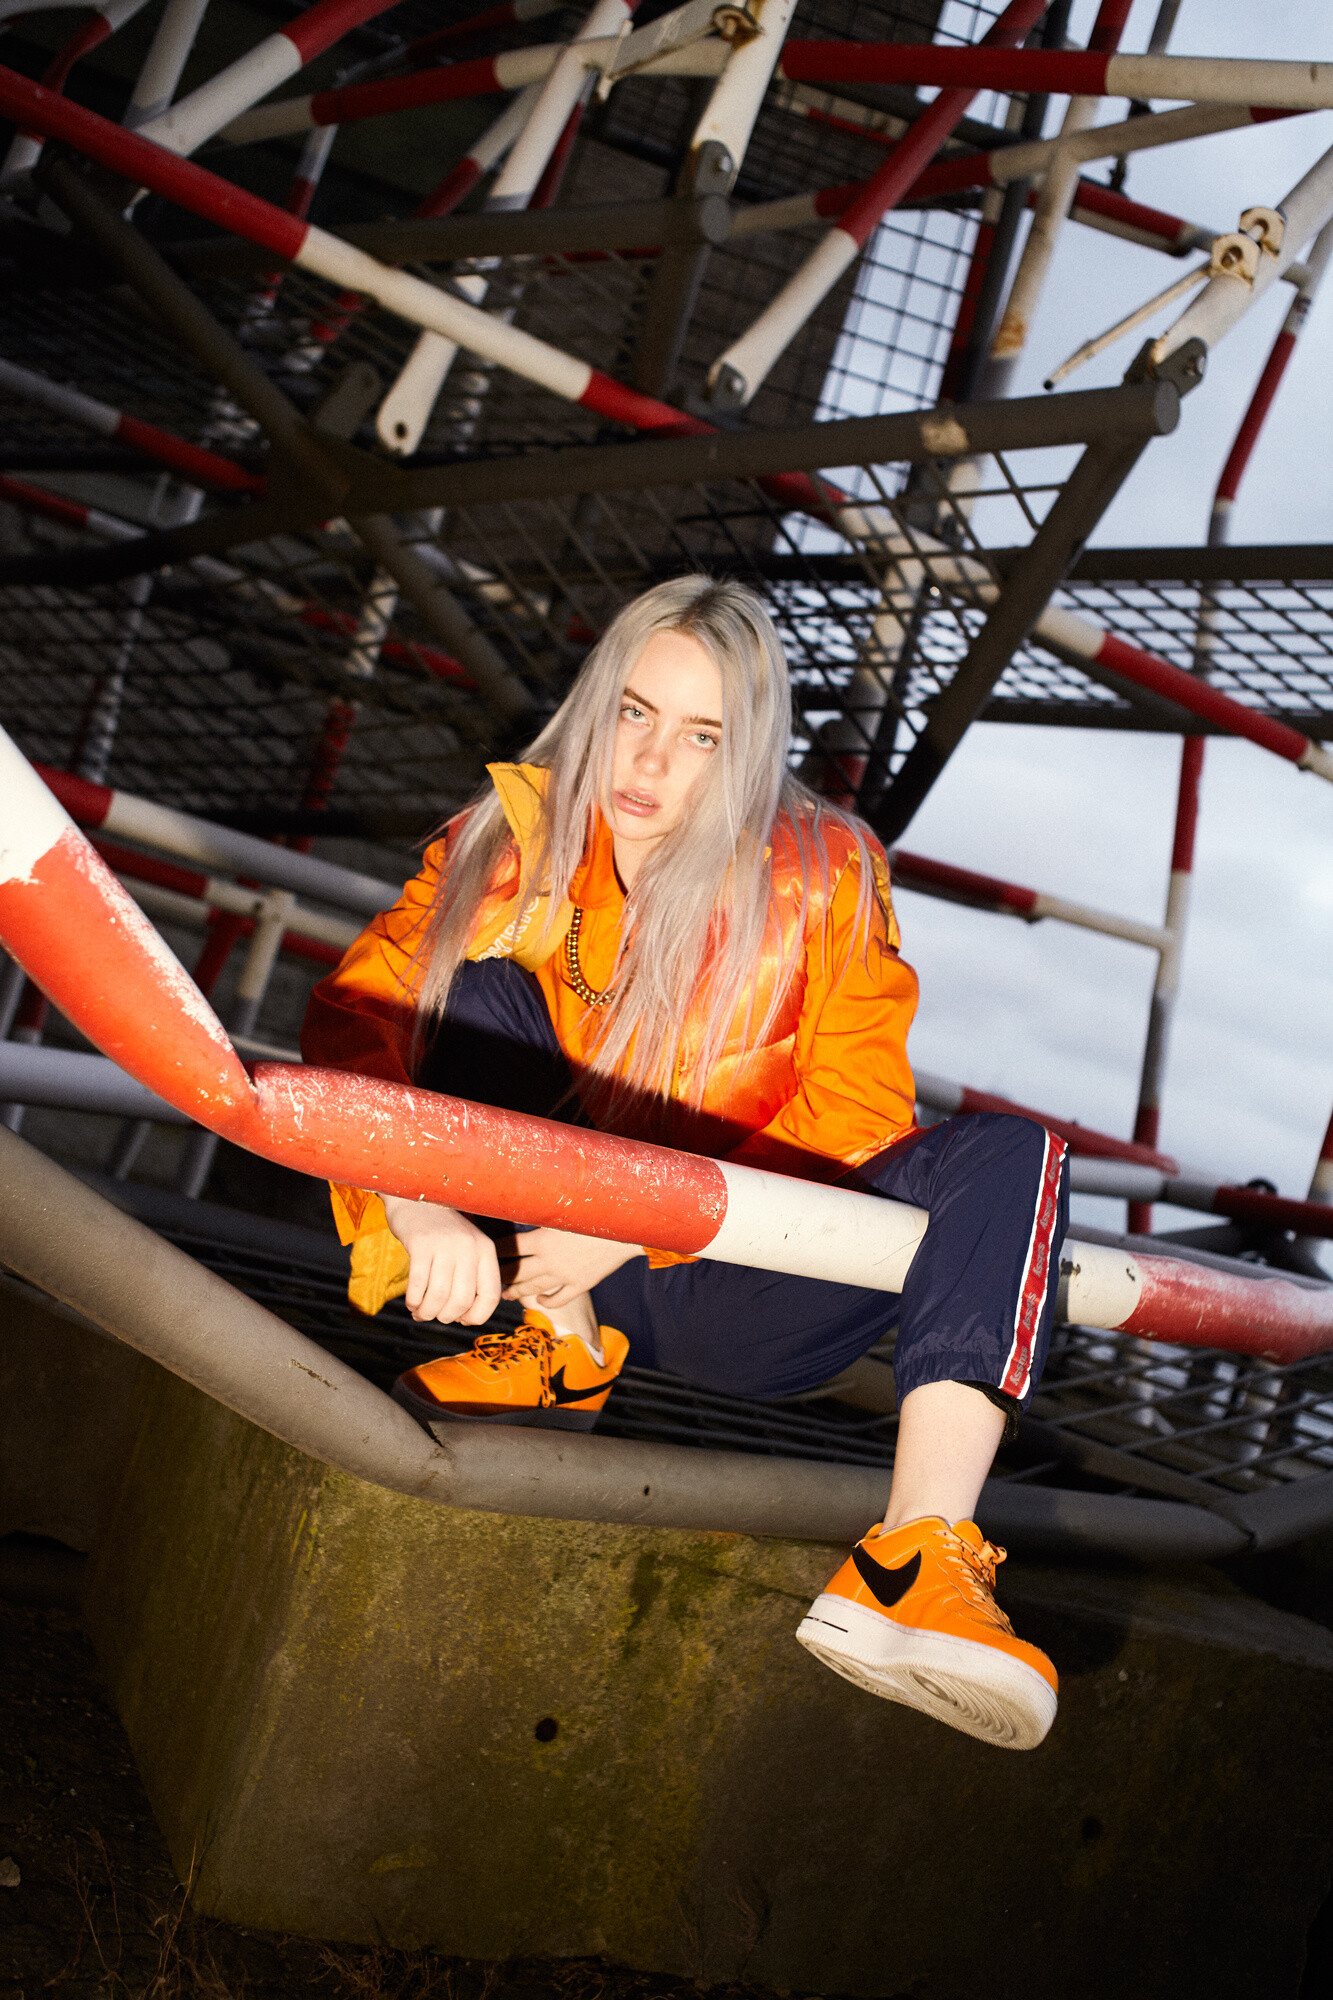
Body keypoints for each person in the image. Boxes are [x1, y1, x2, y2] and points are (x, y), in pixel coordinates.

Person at [301, 576, 1069, 1751]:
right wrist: (414, 1200)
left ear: (746, 752)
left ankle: (912, 1561)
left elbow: (857, 1115)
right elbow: (354, 1015)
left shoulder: (825, 870)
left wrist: (641, 1220)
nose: (650, 761)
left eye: (701, 735)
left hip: (727, 1285)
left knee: (1014, 1156)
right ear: (596, 704)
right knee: (472, 979)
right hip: (535, 1254)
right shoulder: (510, 835)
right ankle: (557, 1350)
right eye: (634, 712)